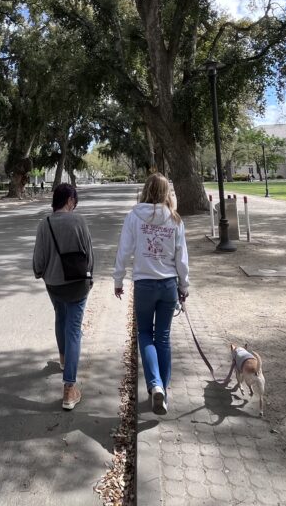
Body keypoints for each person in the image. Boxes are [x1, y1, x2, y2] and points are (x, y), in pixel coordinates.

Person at [113, 173, 189, 415]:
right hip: (167, 284)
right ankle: (162, 390)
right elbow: (182, 258)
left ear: (146, 190)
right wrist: (184, 286)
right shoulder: (175, 219)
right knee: (163, 336)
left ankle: (155, 384)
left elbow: (124, 250)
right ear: (167, 192)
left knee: (145, 333)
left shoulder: (134, 216)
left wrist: (118, 279)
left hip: (144, 284)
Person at [33, 183, 94, 410]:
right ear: (69, 200)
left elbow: (39, 258)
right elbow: (89, 254)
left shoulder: (44, 224)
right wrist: (90, 277)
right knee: (74, 330)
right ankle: (69, 388)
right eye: (74, 201)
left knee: (60, 316)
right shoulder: (79, 221)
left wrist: (40, 272)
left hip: (54, 283)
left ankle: (63, 359)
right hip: (78, 283)